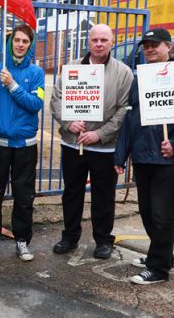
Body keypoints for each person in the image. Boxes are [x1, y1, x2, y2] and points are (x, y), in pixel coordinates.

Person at [114, 28, 174, 284]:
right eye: (146, 46)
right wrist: (120, 156)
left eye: (155, 45)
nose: (149, 49)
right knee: (146, 211)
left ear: (169, 47)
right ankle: (161, 255)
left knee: (161, 214)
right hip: (143, 156)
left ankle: (158, 269)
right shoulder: (140, 77)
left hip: (167, 157)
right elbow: (130, 117)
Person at [49, 23, 133, 259]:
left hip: (104, 147)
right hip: (73, 144)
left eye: (103, 40)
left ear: (111, 42)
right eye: (95, 40)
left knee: (104, 196)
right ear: (88, 42)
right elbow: (56, 100)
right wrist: (69, 123)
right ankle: (70, 236)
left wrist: (100, 134)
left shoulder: (123, 72)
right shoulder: (72, 68)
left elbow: (123, 110)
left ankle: (103, 240)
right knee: (72, 193)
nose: (99, 44)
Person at [0, 24, 45, 262]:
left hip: (25, 145)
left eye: (25, 41)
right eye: (16, 40)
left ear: (30, 45)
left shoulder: (37, 73)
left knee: (24, 196)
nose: (20, 45)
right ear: (10, 43)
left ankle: (22, 241)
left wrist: (13, 86)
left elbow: (36, 104)